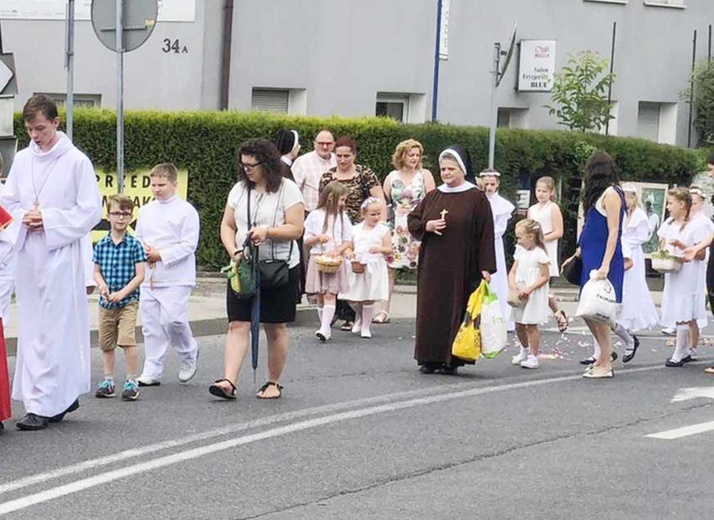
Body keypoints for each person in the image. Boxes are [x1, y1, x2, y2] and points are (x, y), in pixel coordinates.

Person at [0, 94, 102, 430]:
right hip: (29, 253)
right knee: (31, 328)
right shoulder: (24, 158)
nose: (35, 135)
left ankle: (46, 403)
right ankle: (51, 396)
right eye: (29, 129)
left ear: (56, 123)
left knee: (55, 330)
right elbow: (8, 201)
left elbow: (90, 211)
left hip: (60, 254)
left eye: (40, 128)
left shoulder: (76, 162)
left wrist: (49, 219)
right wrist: (23, 216)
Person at [210, 139, 304, 400]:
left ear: (267, 163)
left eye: (252, 165)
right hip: (244, 266)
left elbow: (296, 229)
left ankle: (273, 382)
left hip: (280, 267)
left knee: (274, 326)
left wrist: (268, 232)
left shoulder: (288, 190)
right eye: (244, 165)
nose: (247, 170)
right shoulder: (239, 190)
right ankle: (228, 381)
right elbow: (227, 225)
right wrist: (234, 251)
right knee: (237, 324)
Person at [407, 145, 496, 375]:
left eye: (450, 169)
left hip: (461, 264)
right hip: (432, 264)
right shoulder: (434, 195)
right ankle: (429, 357)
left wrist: (486, 266)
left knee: (455, 308)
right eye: (443, 169)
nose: (445, 173)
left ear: (462, 170)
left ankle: (451, 359)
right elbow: (413, 219)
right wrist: (427, 226)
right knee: (431, 308)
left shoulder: (476, 197)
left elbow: (486, 232)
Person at [135, 163, 200, 387]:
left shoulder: (186, 211)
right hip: (150, 276)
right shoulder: (145, 211)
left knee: (173, 319)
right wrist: (143, 251)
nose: (157, 189)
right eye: (153, 185)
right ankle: (153, 368)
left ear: (174, 184)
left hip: (176, 275)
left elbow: (189, 244)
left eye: (161, 185)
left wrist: (160, 254)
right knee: (151, 325)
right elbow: (139, 237)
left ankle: (188, 351)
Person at [562, 151, 625, 379]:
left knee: (599, 311)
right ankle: (603, 354)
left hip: (601, 257)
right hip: (590, 254)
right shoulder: (600, 195)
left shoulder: (611, 193)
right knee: (588, 309)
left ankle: (605, 359)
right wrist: (577, 253)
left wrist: (606, 264)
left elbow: (613, 230)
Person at [319, 136, 387, 331]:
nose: (342, 160)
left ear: (354, 155)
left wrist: (379, 227)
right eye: (338, 156)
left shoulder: (365, 173)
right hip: (335, 229)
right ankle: (339, 312)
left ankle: (355, 316)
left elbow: (379, 199)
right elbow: (322, 203)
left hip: (360, 229)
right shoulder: (328, 176)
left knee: (356, 273)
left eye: (346, 156)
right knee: (337, 271)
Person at [93, 194, 147, 401]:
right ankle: (108, 380)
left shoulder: (134, 245)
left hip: (128, 301)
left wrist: (123, 293)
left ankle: (131, 380)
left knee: (127, 340)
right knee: (106, 342)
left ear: (131, 217)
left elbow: (140, 275)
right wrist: (102, 285)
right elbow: (96, 271)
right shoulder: (101, 245)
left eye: (125, 214)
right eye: (116, 213)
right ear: (108, 216)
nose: (120, 218)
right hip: (106, 302)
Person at [377, 139, 435, 324]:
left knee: (424, 271)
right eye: (411, 154)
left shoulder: (424, 175)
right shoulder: (391, 176)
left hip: (417, 226)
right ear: (402, 155)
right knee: (389, 270)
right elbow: (384, 202)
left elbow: (433, 201)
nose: (415, 158)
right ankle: (384, 311)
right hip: (396, 226)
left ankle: (425, 312)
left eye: (418, 155)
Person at [658, 187, 709, 367]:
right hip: (673, 271)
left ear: (682, 204)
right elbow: (662, 242)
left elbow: (701, 254)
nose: (668, 207)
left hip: (689, 273)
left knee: (683, 308)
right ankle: (684, 348)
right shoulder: (670, 224)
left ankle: (680, 350)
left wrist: (681, 246)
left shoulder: (697, 225)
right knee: (676, 306)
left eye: (671, 203)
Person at [304, 181, 352, 342]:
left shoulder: (343, 217)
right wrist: (318, 238)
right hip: (318, 258)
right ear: (330, 198)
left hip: (334, 260)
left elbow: (347, 240)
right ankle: (324, 325)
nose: (343, 203)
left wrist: (338, 250)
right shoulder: (315, 215)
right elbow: (306, 240)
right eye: (341, 199)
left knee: (330, 293)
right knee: (320, 295)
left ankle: (325, 328)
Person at [616, 183, 658, 363]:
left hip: (632, 252)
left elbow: (642, 236)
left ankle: (628, 320)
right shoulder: (621, 214)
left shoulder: (639, 216)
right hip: (621, 250)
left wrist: (627, 243)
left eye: (628, 196)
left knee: (631, 286)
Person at [342, 197, 391, 338]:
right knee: (352, 297)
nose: (376, 217)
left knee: (369, 297)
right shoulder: (355, 229)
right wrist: (350, 254)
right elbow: (348, 247)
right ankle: (361, 316)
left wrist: (380, 249)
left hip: (374, 265)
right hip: (358, 265)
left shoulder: (383, 230)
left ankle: (365, 326)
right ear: (364, 214)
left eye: (378, 214)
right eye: (372, 214)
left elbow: (389, 249)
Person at [527, 176, 568, 332]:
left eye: (544, 191)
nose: (541, 194)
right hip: (533, 248)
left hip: (547, 249)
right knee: (535, 284)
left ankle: (556, 313)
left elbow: (559, 231)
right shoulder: (532, 209)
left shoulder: (553, 208)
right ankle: (556, 313)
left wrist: (542, 239)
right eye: (538, 190)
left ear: (551, 192)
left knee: (543, 285)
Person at [508, 219, 551, 369]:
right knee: (518, 323)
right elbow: (513, 271)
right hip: (520, 291)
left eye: (520, 237)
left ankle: (533, 355)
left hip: (532, 293)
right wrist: (513, 286)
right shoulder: (521, 253)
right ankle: (524, 349)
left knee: (531, 325)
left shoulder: (540, 254)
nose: (518, 241)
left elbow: (545, 276)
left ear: (530, 237)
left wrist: (530, 288)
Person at [480, 169, 515, 332]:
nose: (489, 187)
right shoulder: (478, 200)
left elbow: (500, 229)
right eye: (486, 184)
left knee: (497, 277)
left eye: (492, 184)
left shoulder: (502, 205)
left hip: (493, 244)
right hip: (479, 243)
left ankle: (501, 316)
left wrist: (484, 235)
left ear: (498, 184)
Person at [680, 185, 713, 359]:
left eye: (694, 202)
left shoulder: (704, 223)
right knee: (684, 308)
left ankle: (691, 346)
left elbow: (704, 249)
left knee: (693, 305)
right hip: (684, 263)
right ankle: (684, 345)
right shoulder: (685, 221)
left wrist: (692, 249)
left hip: (697, 267)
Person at [292, 129, 336, 214]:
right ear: (314, 144)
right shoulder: (302, 162)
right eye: (321, 143)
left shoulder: (338, 160)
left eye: (328, 144)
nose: (325, 147)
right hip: (309, 214)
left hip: (334, 214)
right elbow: (293, 192)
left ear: (334, 144)